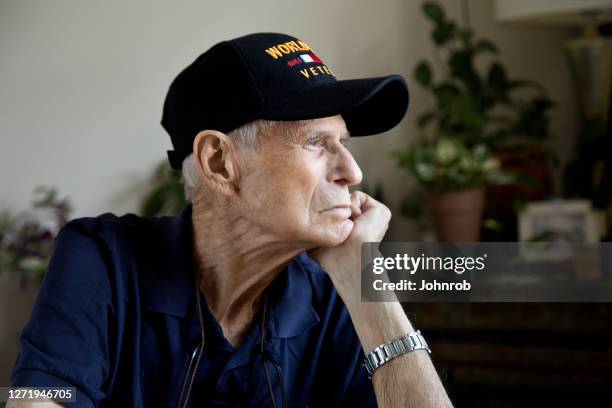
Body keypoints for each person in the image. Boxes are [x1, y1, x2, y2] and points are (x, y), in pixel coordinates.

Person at [9, 32, 453, 407]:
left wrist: (364, 283)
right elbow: (40, 398)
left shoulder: (333, 296)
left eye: (345, 143)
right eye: (317, 142)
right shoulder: (102, 259)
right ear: (219, 162)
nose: (352, 172)